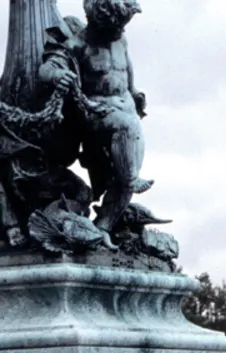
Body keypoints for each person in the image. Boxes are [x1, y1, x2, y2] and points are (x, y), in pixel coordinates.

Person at [39, 0, 151, 233]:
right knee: (128, 159)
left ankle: (103, 228)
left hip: (127, 111)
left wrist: (135, 92)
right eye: (116, 26)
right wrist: (58, 75)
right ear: (100, 21)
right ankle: (130, 177)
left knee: (125, 181)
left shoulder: (121, 39)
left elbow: (126, 71)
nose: (120, 30)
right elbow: (46, 69)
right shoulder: (78, 45)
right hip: (97, 113)